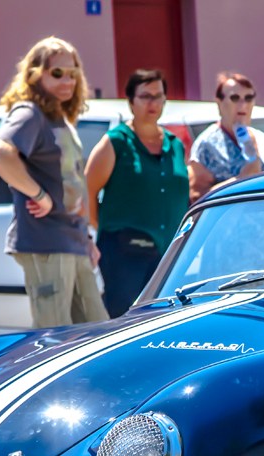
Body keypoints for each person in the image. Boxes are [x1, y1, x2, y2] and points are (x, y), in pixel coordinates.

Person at [0, 37, 107, 328]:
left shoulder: (61, 117)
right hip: (46, 243)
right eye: (57, 73)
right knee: (55, 338)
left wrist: (86, 238)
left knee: (97, 332)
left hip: (73, 243)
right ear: (35, 74)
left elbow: (71, 183)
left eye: (73, 73)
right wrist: (39, 195)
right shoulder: (29, 113)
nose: (67, 80)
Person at [85, 69, 188, 318]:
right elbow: (87, 192)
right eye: (145, 96)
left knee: (163, 320)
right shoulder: (116, 142)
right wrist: (111, 229)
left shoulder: (175, 144)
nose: (153, 103)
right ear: (131, 102)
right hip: (124, 254)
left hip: (168, 255)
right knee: (124, 320)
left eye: (158, 96)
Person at [188, 71, 264, 204]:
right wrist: (242, 180)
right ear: (219, 103)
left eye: (249, 98)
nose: (243, 105)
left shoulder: (263, 139)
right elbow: (197, 198)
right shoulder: (206, 144)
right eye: (235, 98)